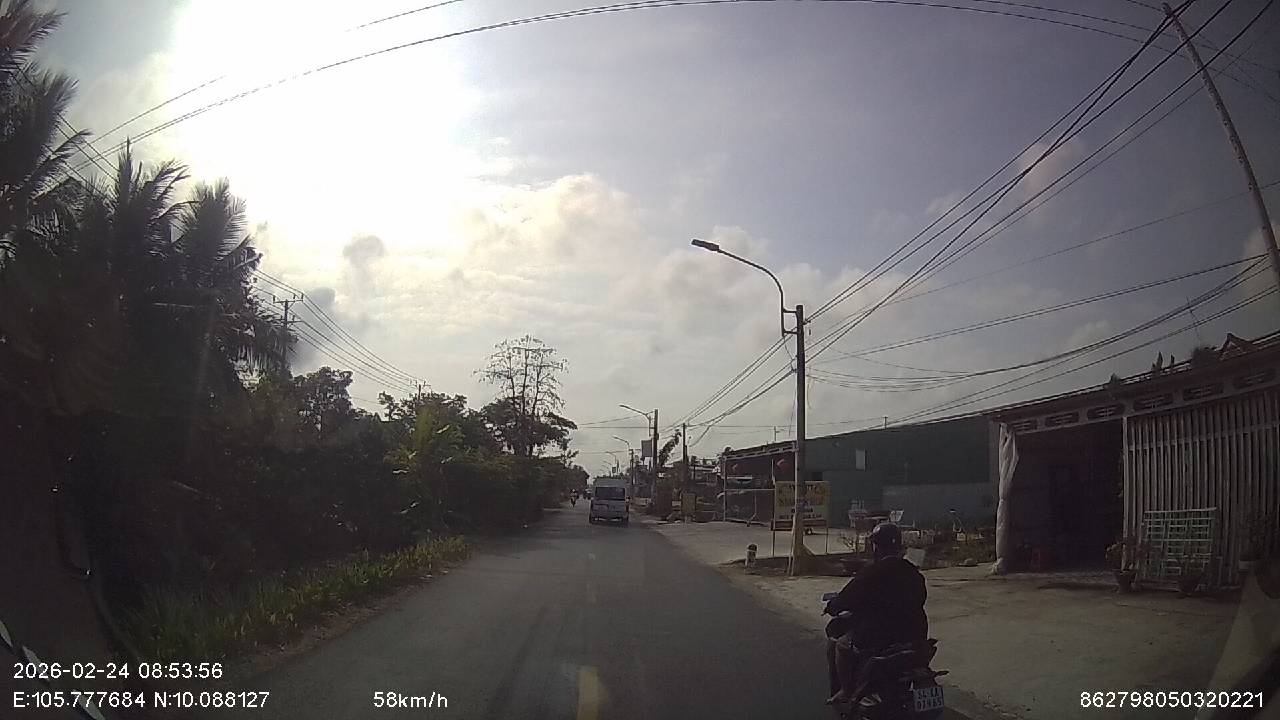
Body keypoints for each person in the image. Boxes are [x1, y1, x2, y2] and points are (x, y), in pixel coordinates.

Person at [823, 521, 928, 705]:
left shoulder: (871, 572)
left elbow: (847, 598)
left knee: (841, 645)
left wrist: (832, 606)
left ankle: (846, 691)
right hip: (915, 634)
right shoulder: (913, 572)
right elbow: (921, 598)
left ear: (877, 546)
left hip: (880, 636)